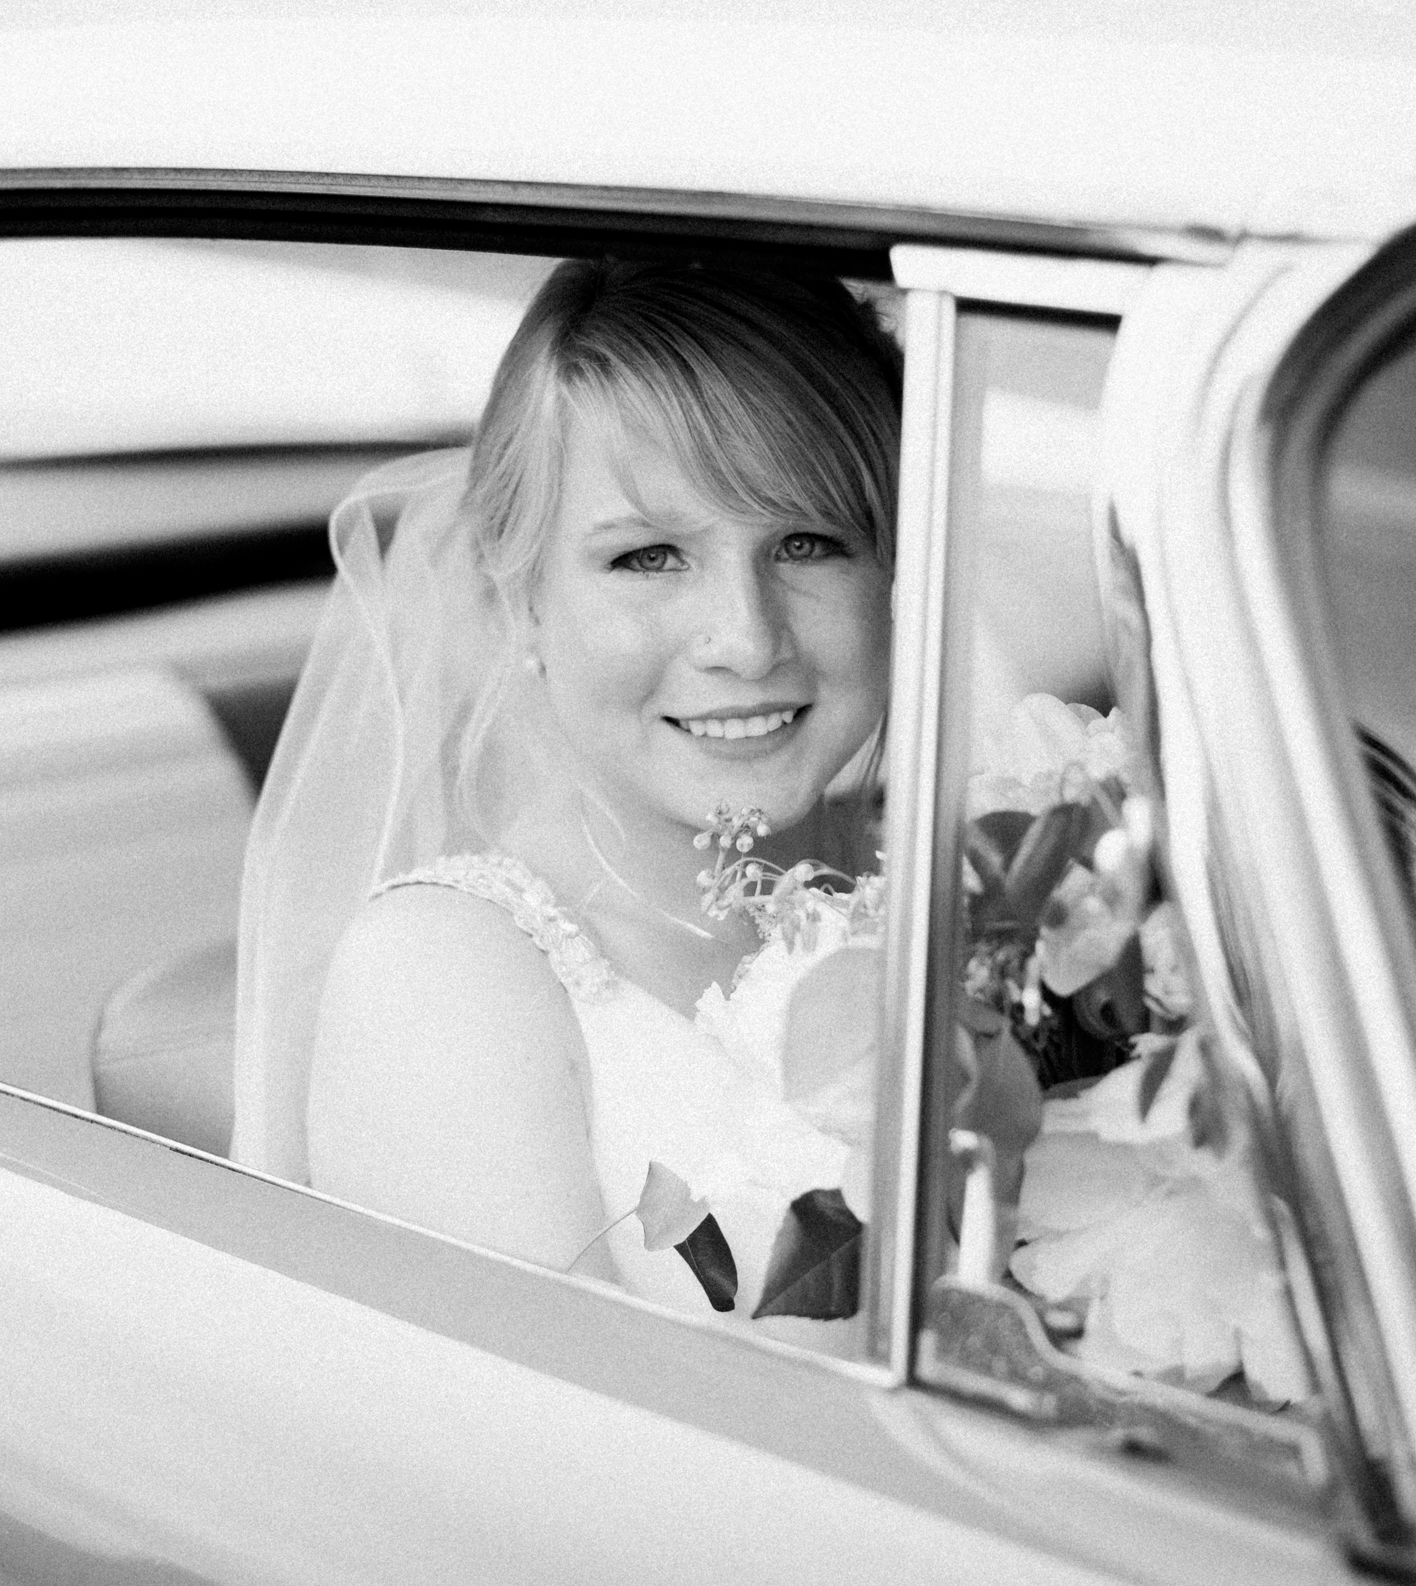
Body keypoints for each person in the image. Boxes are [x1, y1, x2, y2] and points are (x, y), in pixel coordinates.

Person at [234, 258, 1040, 1331]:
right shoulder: (445, 977)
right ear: (514, 599)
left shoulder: (978, 889)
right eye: (650, 557)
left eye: (809, 542)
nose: (746, 638)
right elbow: (537, 1464)